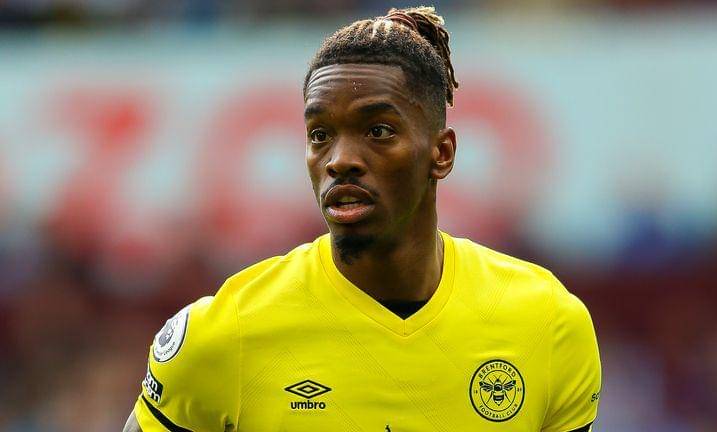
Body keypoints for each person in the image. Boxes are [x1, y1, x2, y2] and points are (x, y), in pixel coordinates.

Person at [123, 6, 601, 432]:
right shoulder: (225, 334)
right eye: (320, 135)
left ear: (442, 153)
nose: (340, 160)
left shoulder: (547, 322)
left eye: (378, 131)